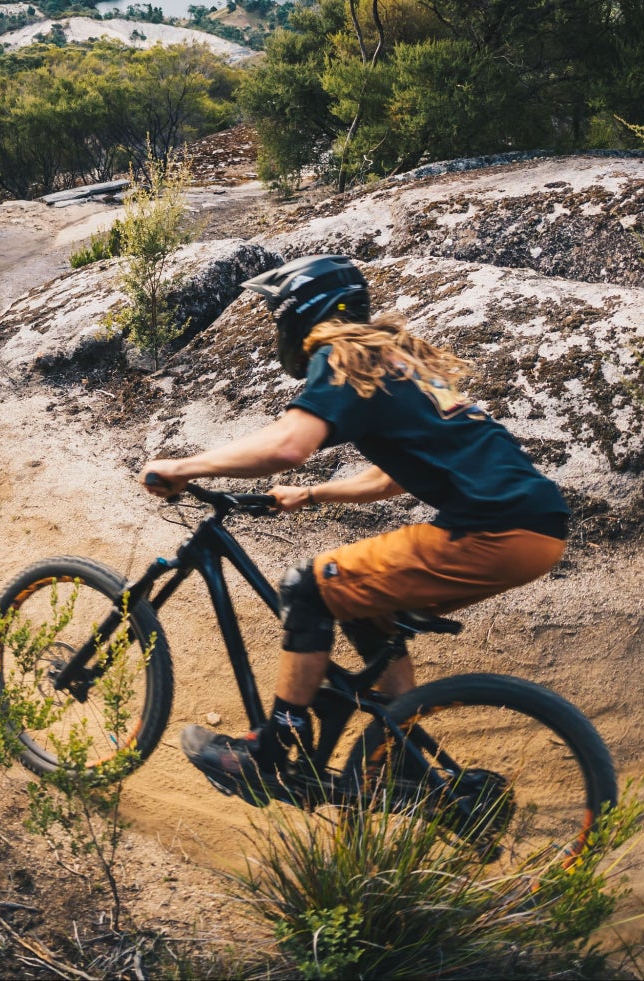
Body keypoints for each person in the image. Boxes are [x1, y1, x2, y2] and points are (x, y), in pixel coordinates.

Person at [138, 255, 571, 797]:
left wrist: (181, 466)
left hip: (490, 531)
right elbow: (388, 480)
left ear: (302, 313)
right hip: (534, 529)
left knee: (308, 587)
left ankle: (270, 754)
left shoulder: (340, 357)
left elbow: (289, 445)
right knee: (364, 607)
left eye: (280, 318)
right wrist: (313, 493)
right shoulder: (391, 361)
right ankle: (402, 755)